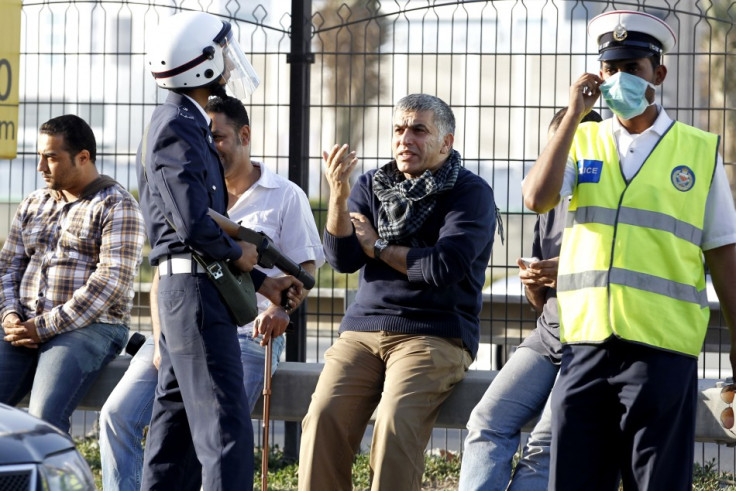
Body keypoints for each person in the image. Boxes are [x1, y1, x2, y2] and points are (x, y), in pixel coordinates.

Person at [522, 10, 736, 490]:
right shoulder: (583, 141)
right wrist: (573, 115)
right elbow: (536, 198)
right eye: (609, 69)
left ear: (657, 74)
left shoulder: (698, 151)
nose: (619, 79)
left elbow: (725, 257)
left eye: (631, 68)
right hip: (586, 347)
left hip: (660, 352)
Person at [99, 95, 323, 491]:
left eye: (217, 137)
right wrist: (161, 337)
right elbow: (179, 260)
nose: (209, 146)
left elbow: (303, 272)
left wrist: (277, 303)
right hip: (183, 319)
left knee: (202, 435)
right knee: (123, 417)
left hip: (250, 335)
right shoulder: (197, 191)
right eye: (205, 137)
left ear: (244, 136)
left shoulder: (285, 195)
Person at [136, 12, 303, 490]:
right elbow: (193, 224)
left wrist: (260, 279)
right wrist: (239, 253)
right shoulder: (178, 124)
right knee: (226, 433)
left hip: (190, 290)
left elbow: (198, 232)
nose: (230, 62)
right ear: (202, 63)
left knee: (175, 437)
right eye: (221, 52)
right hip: (194, 295)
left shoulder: (180, 119)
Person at [298, 93, 498, 491]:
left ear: (446, 142)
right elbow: (342, 258)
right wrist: (338, 193)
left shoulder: (470, 193)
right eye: (399, 130)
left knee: (394, 423)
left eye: (418, 130)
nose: (405, 139)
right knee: (322, 417)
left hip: (434, 333)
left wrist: (379, 248)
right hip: (363, 331)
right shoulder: (373, 184)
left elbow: (442, 266)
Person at [458, 108, 601, 491]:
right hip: (550, 332)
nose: (567, 157)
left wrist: (566, 270)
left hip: (594, 340)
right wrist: (533, 281)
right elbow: (541, 300)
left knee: (545, 444)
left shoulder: (617, 199)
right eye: (558, 148)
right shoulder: (549, 199)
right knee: (486, 421)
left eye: (576, 147)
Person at [0, 114, 145, 433]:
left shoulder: (117, 205)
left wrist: (44, 326)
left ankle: (53, 479)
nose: (41, 167)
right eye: (39, 156)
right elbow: (8, 267)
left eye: (51, 158)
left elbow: (109, 284)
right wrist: (10, 316)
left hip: (92, 326)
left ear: (83, 158)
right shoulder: (33, 203)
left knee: (42, 420)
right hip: (23, 325)